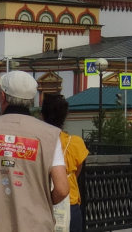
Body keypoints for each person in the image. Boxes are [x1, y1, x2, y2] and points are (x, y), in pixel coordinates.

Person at [0, 71, 69, 232]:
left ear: (3, 96)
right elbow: (62, 188)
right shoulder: (49, 135)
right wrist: (41, 204)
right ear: (31, 99)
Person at [41, 93, 90, 232]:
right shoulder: (75, 143)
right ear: (65, 116)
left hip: (41, 203)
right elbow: (77, 172)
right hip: (70, 203)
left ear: (42, 115)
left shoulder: (38, 142)